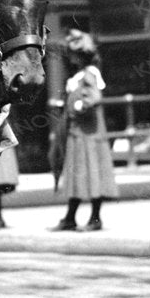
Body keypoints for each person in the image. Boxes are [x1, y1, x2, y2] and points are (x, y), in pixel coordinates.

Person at [53, 30, 115, 230]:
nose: (71, 59)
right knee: (77, 174)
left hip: (88, 133)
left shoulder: (90, 73)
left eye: (73, 55)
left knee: (91, 173)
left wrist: (79, 106)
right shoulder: (79, 75)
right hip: (78, 133)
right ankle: (70, 216)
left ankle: (95, 218)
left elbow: (94, 98)